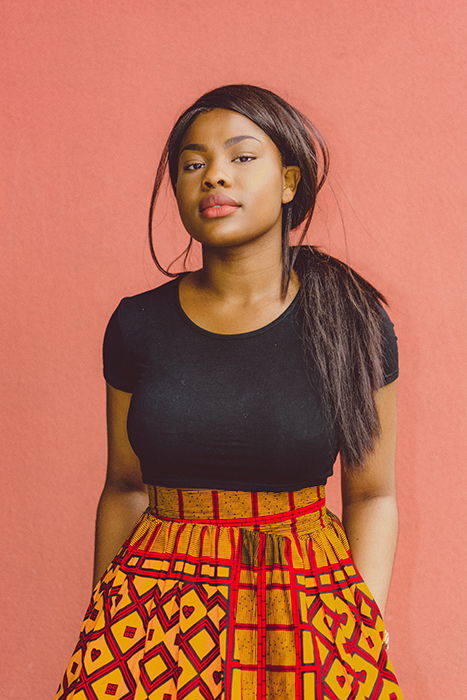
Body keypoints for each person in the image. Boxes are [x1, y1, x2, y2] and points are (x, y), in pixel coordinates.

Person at [54, 84, 403, 699]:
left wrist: (360, 629)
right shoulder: (137, 324)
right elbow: (125, 486)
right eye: (193, 164)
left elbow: (372, 495)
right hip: (152, 612)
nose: (214, 176)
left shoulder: (351, 319)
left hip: (307, 606)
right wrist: (100, 628)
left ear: (290, 182)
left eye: (242, 157)